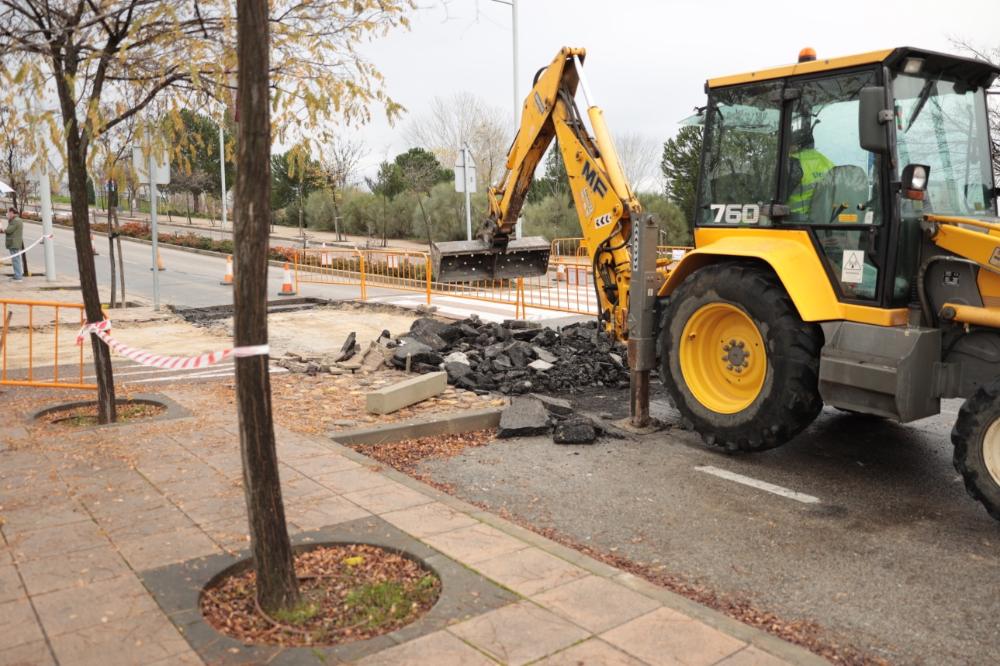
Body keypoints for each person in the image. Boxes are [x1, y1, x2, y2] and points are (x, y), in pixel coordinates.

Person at [787, 118, 834, 219]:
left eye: (790, 145)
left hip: (795, 220)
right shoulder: (828, 163)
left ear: (797, 146)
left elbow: (779, 196)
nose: (789, 149)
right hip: (823, 221)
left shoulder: (794, 163)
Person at [4, 207, 24, 281]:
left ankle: (18, 276)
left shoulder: (15, 221)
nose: (8, 214)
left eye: (8, 212)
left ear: (12, 212)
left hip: (13, 243)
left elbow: (9, 230)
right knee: (16, 259)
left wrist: (3, 229)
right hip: (14, 243)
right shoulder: (17, 220)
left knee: (15, 260)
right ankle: (18, 275)